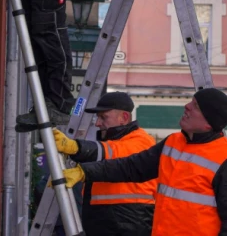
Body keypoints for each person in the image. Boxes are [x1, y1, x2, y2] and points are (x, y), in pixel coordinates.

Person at [60, 87, 227, 235]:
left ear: (209, 122)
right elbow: (130, 167)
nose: (187, 107)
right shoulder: (173, 143)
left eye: (196, 106)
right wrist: (85, 172)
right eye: (191, 101)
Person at [52, 92, 156, 236]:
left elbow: (113, 153)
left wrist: (76, 147)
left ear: (124, 118)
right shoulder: (116, 142)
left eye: (103, 117)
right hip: (112, 220)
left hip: (129, 222)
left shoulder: (142, 141)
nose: (97, 123)